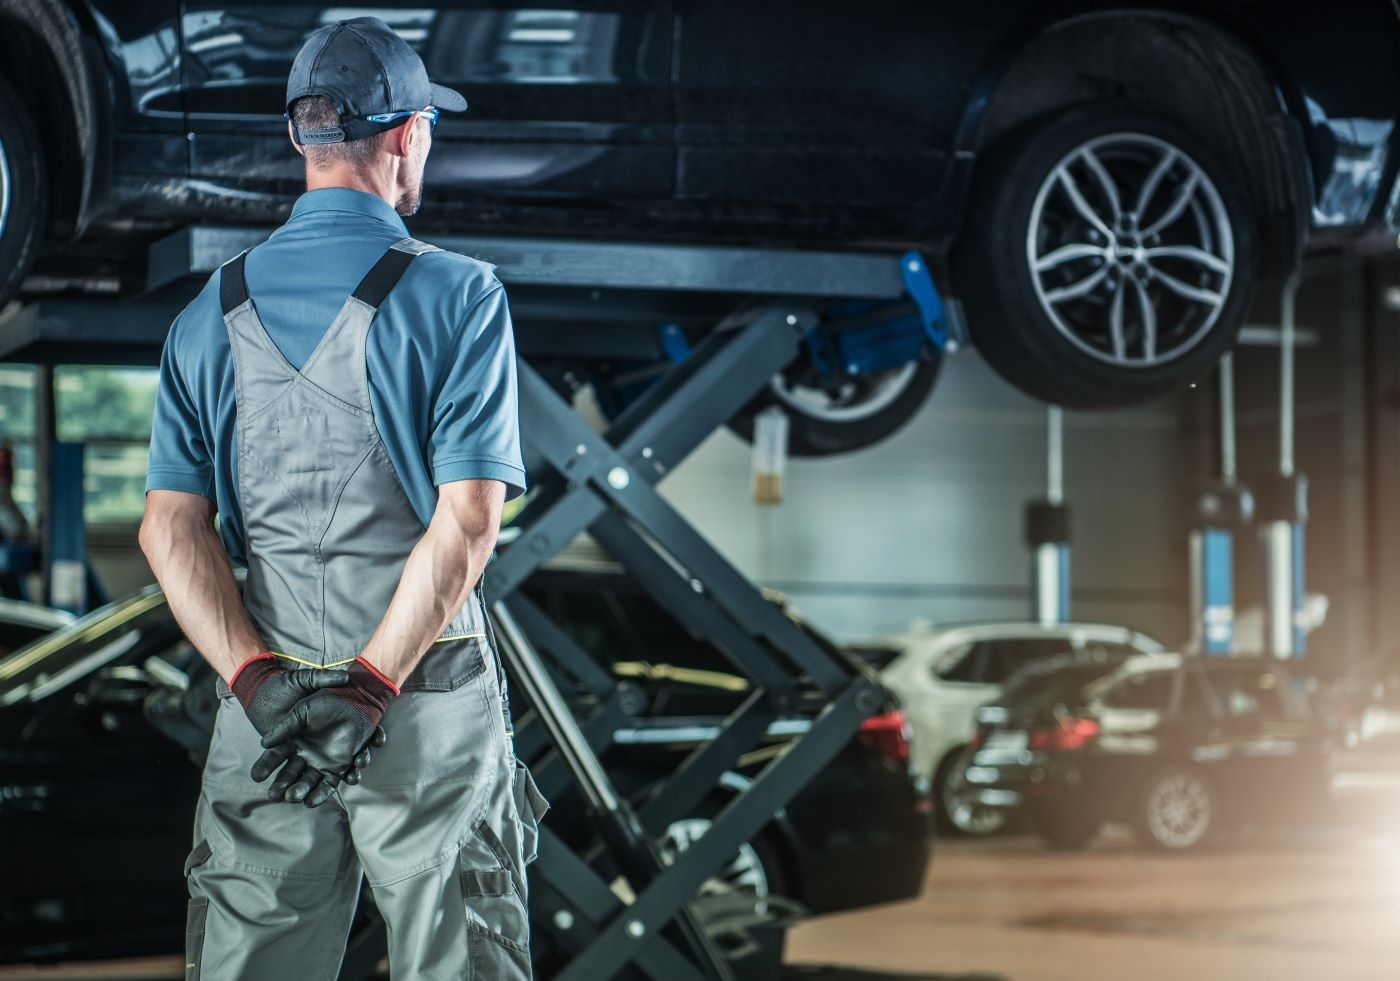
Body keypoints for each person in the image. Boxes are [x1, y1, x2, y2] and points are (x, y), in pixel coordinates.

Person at [140, 17, 545, 980]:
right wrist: (368, 686)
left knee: (251, 961)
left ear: (299, 136)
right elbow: (470, 518)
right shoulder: (459, 295)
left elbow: (169, 528)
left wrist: (257, 684)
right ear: (407, 135)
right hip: (421, 700)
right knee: (459, 957)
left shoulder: (207, 314)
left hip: (267, 711)